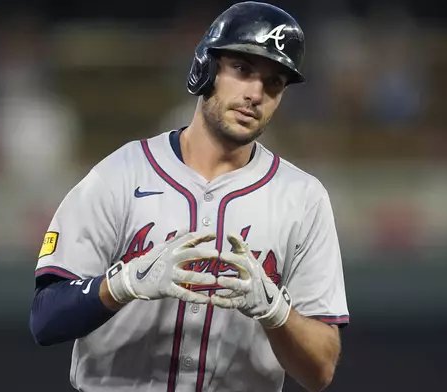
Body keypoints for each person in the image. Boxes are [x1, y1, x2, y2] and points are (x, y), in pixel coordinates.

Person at [29, 2, 349, 392]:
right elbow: (45, 319)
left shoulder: (304, 198)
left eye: (273, 83)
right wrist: (123, 282)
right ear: (207, 68)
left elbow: (321, 371)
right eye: (243, 70)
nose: (255, 94)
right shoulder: (122, 173)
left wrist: (276, 312)